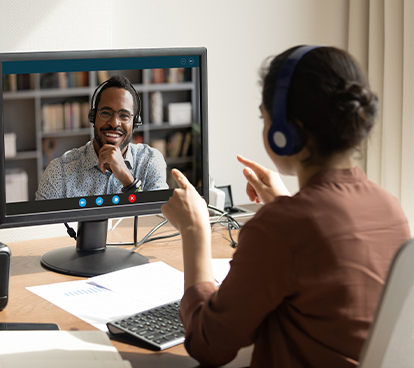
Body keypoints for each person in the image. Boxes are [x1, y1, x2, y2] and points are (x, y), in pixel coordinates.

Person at [161, 46, 410, 367]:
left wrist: (195, 232)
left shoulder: (282, 226)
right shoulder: (389, 208)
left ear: (285, 133)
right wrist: (285, 205)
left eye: (264, 117)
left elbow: (209, 345)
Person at [36, 75, 168, 200]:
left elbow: (156, 220)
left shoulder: (150, 162)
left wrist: (126, 179)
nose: (114, 123)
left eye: (124, 115)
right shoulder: (60, 171)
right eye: (106, 113)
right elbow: (40, 223)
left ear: (135, 123)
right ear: (93, 117)